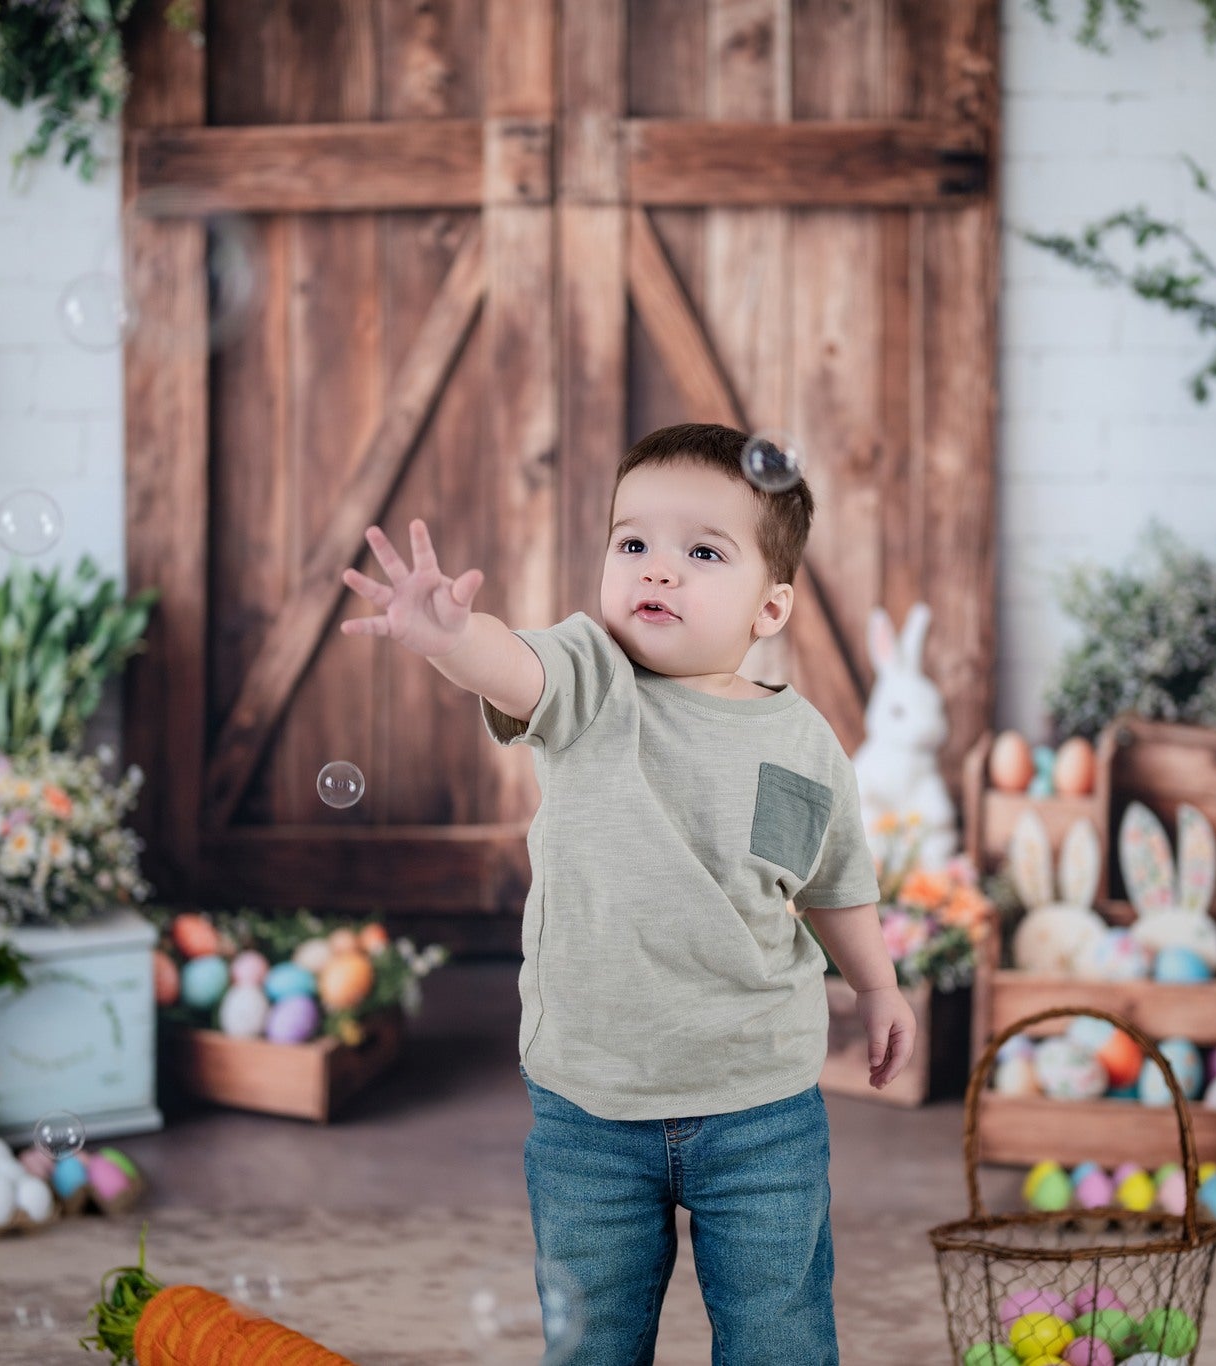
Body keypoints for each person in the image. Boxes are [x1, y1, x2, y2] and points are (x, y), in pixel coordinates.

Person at [339, 421, 915, 1365]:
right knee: (591, 1338)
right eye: (633, 542)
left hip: (758, 1101)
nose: (657, 571)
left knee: (781, 1331)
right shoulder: (590, 680)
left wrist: (879, 986)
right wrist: (450, 638)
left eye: (702, 552)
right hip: (591, 1102)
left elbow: (825, 881)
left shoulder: (798, 742)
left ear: (770, 608)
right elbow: (511, 666)